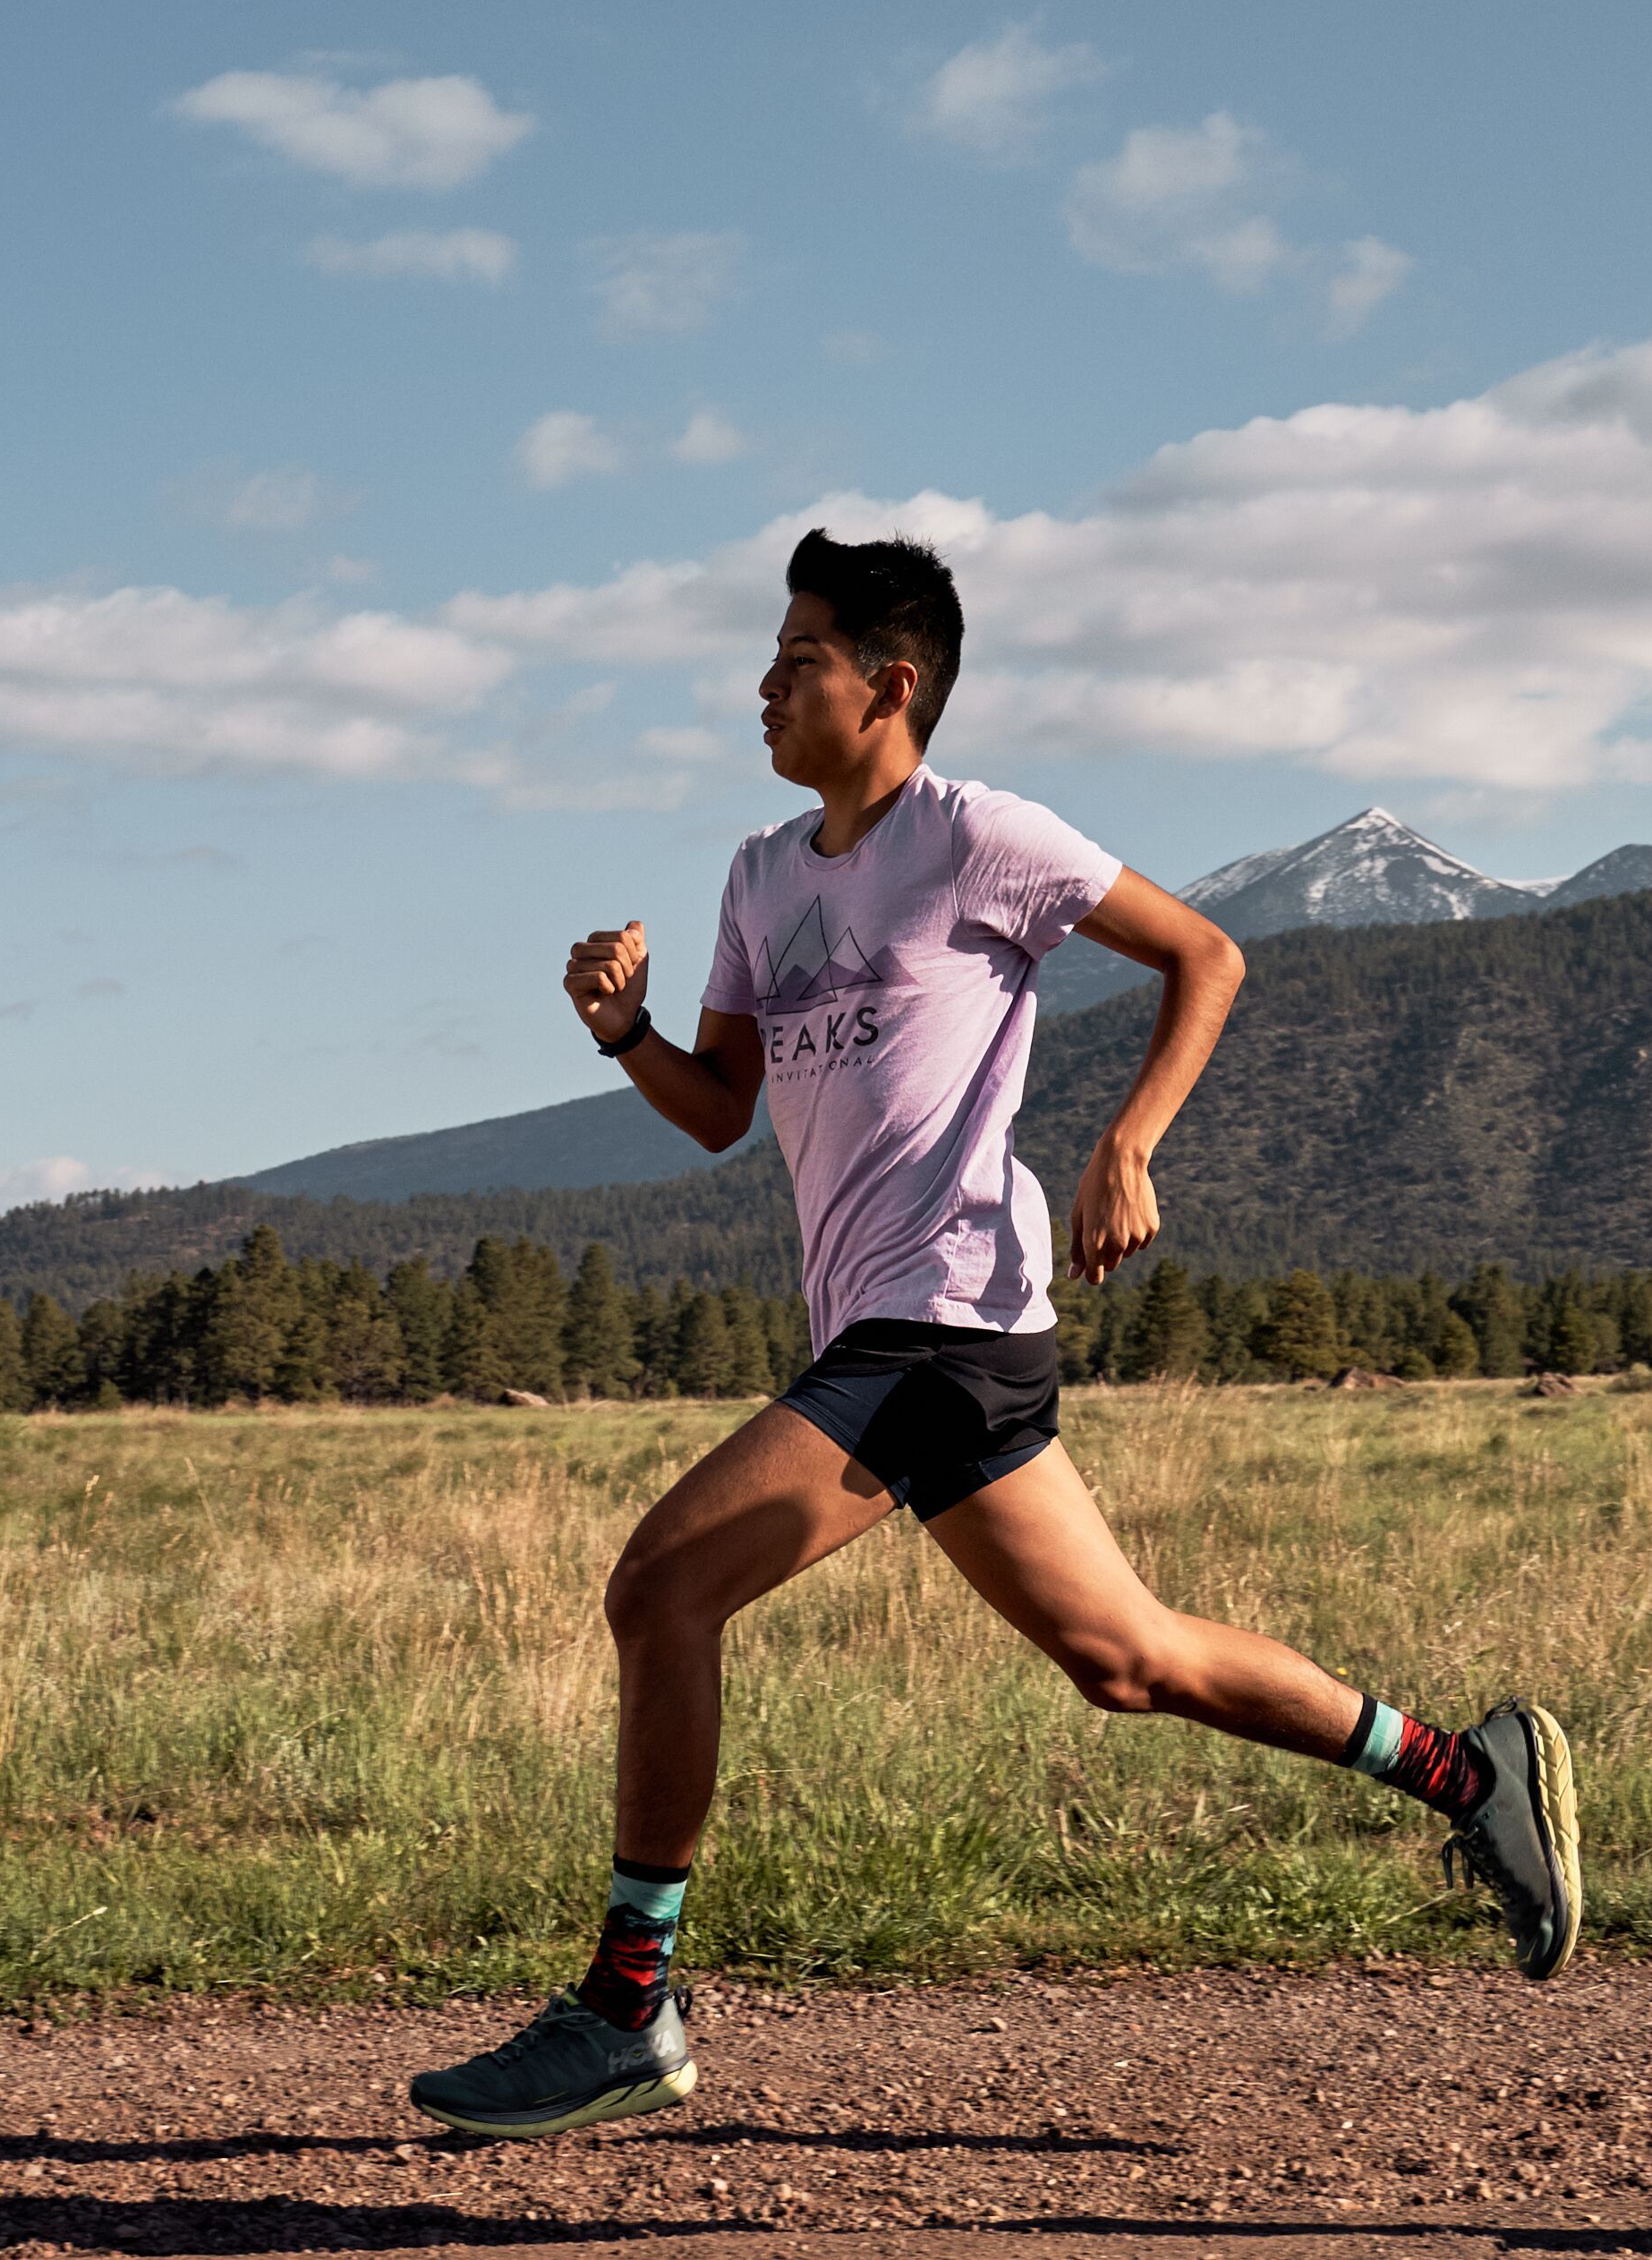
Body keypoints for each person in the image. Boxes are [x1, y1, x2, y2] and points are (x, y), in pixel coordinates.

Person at [409, 527, 1582, 2139]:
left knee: (661, 1586)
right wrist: (624, 1032)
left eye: (798, 656)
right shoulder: (759, 877)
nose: (764, 682)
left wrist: (1128, 1142)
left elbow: (1205, 954)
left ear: (890, 686)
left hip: (945, 1321)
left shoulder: (980, 840)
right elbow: (718, 1114)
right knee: (1128, 1658)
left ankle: (629, 2001)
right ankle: (1469, 1772)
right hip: (901, 1334)